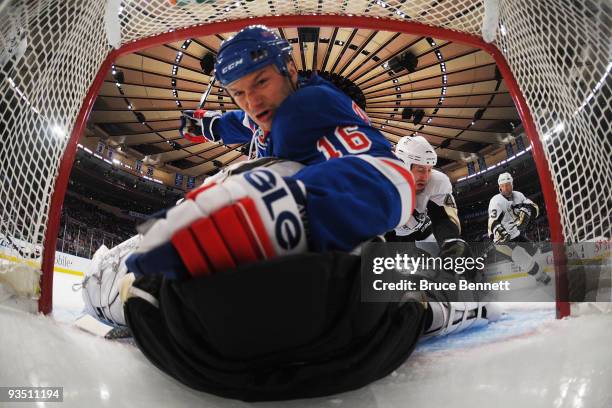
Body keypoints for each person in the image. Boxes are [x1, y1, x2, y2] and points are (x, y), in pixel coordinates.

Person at [86, 26, 499, 400]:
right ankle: (465, 294)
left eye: (260, 82)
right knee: (419, 292)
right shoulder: (273, 112)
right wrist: (202, 125)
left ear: (289, 67)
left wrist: (288, 210)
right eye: (238, 91)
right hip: (357, 308)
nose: (252, 101)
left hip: (267, 298)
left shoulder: (309, 107)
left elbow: (386, 176)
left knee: (117, 273)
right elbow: (240, 123)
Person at [488, 172, 550, 284]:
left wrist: (529, 210)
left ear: (512, 184)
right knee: (520, 256)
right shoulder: (495, 201)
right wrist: (499, 230)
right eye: (503, 185)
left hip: (515, 234)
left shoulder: (518, 195)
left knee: (536, 251)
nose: (506, 188)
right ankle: (540, 276)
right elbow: (492, 221)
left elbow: (534, 208)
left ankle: (539, 274)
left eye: (508, 184)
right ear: (500, 187)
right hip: (500, 240)